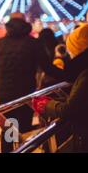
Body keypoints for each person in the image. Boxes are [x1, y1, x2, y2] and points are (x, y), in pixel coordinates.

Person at [0, 13, 55, 152]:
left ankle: (9, 150)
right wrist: (69, 74)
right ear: (25, 23)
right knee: (24, 130)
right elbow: (48, 68)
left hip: (5, 94)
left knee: (9, 130)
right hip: (25, 94)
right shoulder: (33, 43)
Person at [33, 23, 88, 152]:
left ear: (78, 48)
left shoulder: (84, 74)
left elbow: (70, 109)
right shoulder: (80, 71)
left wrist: (46, 104)